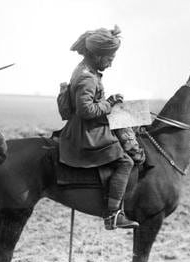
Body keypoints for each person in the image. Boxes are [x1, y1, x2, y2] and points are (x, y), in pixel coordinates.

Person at [58, 25, 139, 230]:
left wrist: (112, 104)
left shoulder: (87, 69)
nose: (111, 64)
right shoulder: (87, 77)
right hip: (86, 133)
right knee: (126, 162)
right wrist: (110, 103)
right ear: (97, 55)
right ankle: (112, 214)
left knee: (137, 115)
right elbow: (85, 111)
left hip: (90, 125)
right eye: (109, 59)